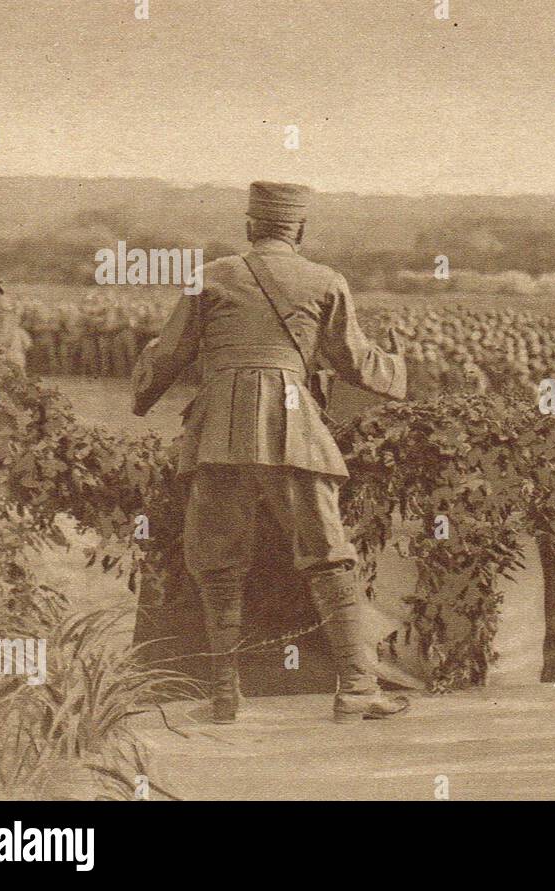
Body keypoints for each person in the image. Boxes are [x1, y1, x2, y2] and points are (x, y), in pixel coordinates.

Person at [132, 181, 410, 725]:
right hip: (293, 424)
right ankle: (356, 687)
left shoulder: (211, 275)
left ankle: (223, 693)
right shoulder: (325, 280)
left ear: (249, 226)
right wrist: (398, 365)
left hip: (216, 433)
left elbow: (168, 356)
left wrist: (144, 386)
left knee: (216, 560)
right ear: (300, 229)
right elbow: (353, 359)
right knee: (328, 553)